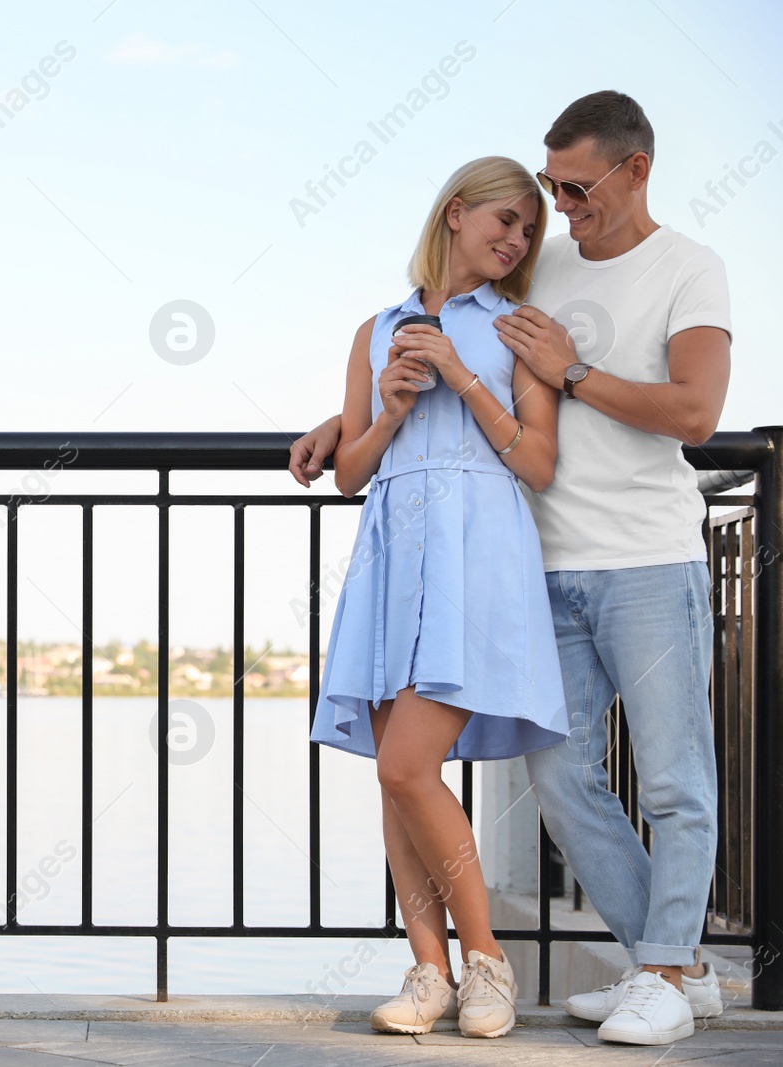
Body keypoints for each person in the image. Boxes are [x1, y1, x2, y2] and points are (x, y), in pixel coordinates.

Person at [291, 91, 732, 1047]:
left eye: (569, 193)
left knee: (668, 779)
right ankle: (644, 967)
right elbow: (381, 431)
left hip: (601, 556)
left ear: (633, 171)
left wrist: (536, 373)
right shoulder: (500, 280)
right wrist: (353, 419)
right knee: (540, 779)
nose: (550, 216)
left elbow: (673, 420)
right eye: (535, 199)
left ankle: (607, 965)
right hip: (478, 563)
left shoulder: (654, 278)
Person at [308, 154, 567, 1040]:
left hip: (479, 556)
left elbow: (536, 462)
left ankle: (485, 963)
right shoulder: (374, 329)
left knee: (405, 765)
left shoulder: (519, 328)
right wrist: (383, 412)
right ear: (456, 214)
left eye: (529, 230)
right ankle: (428, 970)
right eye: (505, 220)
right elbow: (347, 476)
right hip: (392, 556)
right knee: (396, 781)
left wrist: (459, 373)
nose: (517, 239)